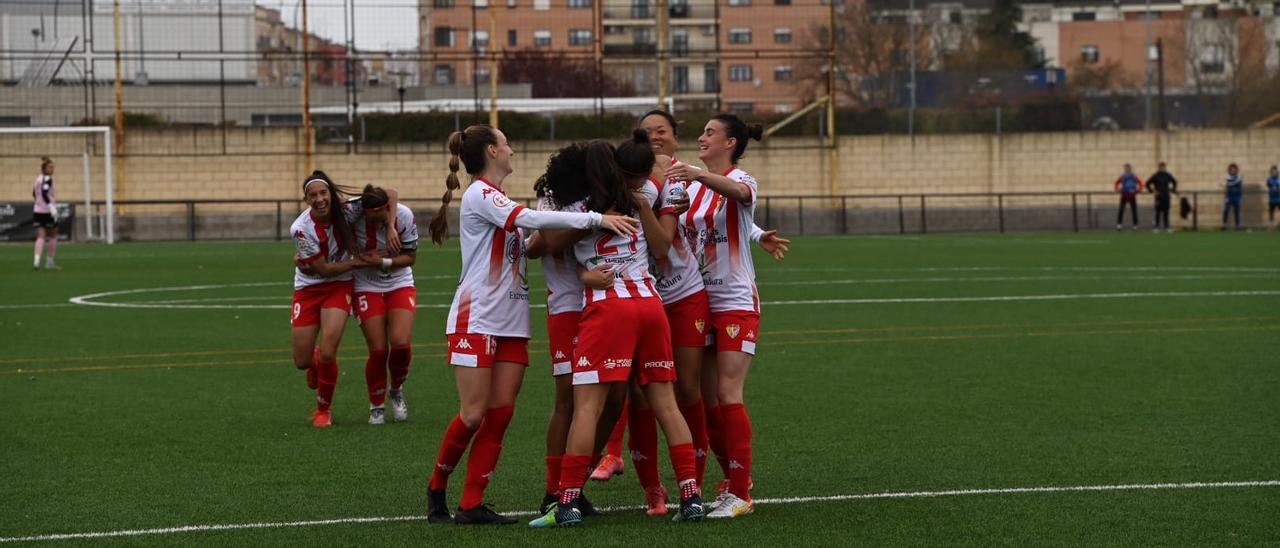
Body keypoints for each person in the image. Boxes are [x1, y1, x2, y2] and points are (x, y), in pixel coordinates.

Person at [424, 125, 638, 525]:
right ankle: (437, 489)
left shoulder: (499, 197)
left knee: (501, 414)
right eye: (506, 143)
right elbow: (529, 219)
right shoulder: (481, 193)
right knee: (473, 414)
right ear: (491, 150)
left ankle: (471, 504)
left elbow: (530, 245)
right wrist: (596, 218)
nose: (511, 149)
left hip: (512, 321)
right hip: (478, 317)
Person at [530, 133, 703, 528]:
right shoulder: (638, 196)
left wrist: (585, 269)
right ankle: (691, 495)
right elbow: (660, 228)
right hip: (651, 303)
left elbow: (549, 241)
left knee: (585, 407)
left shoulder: (580, 205)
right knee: (667, 404)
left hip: (609, 308)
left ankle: (567, 501)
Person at [664, 113, 765, 519]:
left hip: (736, 300)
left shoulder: (742, 178)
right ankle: (704, 492)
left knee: (727, 394)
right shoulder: (690, 186)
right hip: (699, 303)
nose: (702, 137)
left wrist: (696, 175)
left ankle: (740, 493)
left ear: (730, 143)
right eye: (703, 132)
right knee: (704, 401)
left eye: (710, 132)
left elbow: (740, 196)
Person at [289, 171, 380, 428]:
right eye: (313, 195)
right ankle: (314, 359)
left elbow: (389, 194)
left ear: (331, 193)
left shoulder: (348, 211)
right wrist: (359, 261)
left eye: (323, 193)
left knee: (330, 352)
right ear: (306, 200)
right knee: (302, 361)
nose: (319, 199)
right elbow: (324, 270)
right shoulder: (300, 229)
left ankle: (323, 410)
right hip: (308, 289)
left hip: (339, 287)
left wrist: (393, 220)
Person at [349, 185, 418, 425]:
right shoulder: (353, 214)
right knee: (378, 350)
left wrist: (383, 262)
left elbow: (410, 258)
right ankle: (376, 405)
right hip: (366, 285)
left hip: (399, 281)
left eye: (383, 221)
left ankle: (397, 389)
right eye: (375, 222)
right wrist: (361, 261)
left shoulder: (404, 216)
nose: (379, 226)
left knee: (400, 343)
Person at [32, 157, 60, 270]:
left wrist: (39, 203)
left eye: (53, 167)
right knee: (54, 235)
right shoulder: (48, 178)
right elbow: (44, 193)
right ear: (44, 168)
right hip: (48, 211)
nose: (52, 169)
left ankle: (37, 261)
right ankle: (49, 262)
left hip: (38, 210)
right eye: (50, 167)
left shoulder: (38, 178)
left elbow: (34, 193)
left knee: (41, 236)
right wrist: (51, 207)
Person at [1145, 161, 1178, 233]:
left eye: (1163, 167)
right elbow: (1147, 184)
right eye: (1161, 167)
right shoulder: (1155, 175)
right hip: (1158, 197)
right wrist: (1153, 191)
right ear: (1159, 167)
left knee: (1166, 212)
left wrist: (1173, 189)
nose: (1162, 168)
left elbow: (1174, 182)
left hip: (1166, 196)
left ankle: (1167, 227)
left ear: (1165, 167)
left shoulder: (1168, 175)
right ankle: (1156, 227)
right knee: (1158, 212)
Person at [1114, 163, 1141, 231]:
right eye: (1126, 168)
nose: (1127, 169)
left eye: (1128, 168)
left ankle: (1135, 225)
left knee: (1134, 211)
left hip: (1132, 195)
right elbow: (1116, 183)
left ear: (1130, 168)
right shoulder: (1122, 176)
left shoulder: (1134, 176)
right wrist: (1118, 189)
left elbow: (1140, 183)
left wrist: (1137, 190)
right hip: (1124, 195)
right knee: (1121, 210)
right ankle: (1119, 225)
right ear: (1124, 169)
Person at [1223, 163, 1244, 230]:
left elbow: (1240, 188)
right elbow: (1227, 187)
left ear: (1236, 170)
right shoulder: (1228, 178)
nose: (1233, 171)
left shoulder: (1238, 178)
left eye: (1234, 170)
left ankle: (1237, 225)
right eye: (1231, 170)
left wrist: (1236, 191)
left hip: (1236, 197)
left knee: (1236, 211)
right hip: (1229, 197)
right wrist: (1226, 194)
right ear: (1229, 171)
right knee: (1226, 210)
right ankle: (1224, 225)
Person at [1267, 165, 1279, 230]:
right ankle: (1271, 226)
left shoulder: (1278, 179)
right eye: (1273, 171)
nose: (1274, 172)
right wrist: (1273, 187)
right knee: (1271, 213)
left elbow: (1277, 186)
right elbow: (1269, 185)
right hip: (1272, 200)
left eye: (1275, 171)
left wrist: (1276, 187)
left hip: (1279, 199)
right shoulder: (1269, 179)